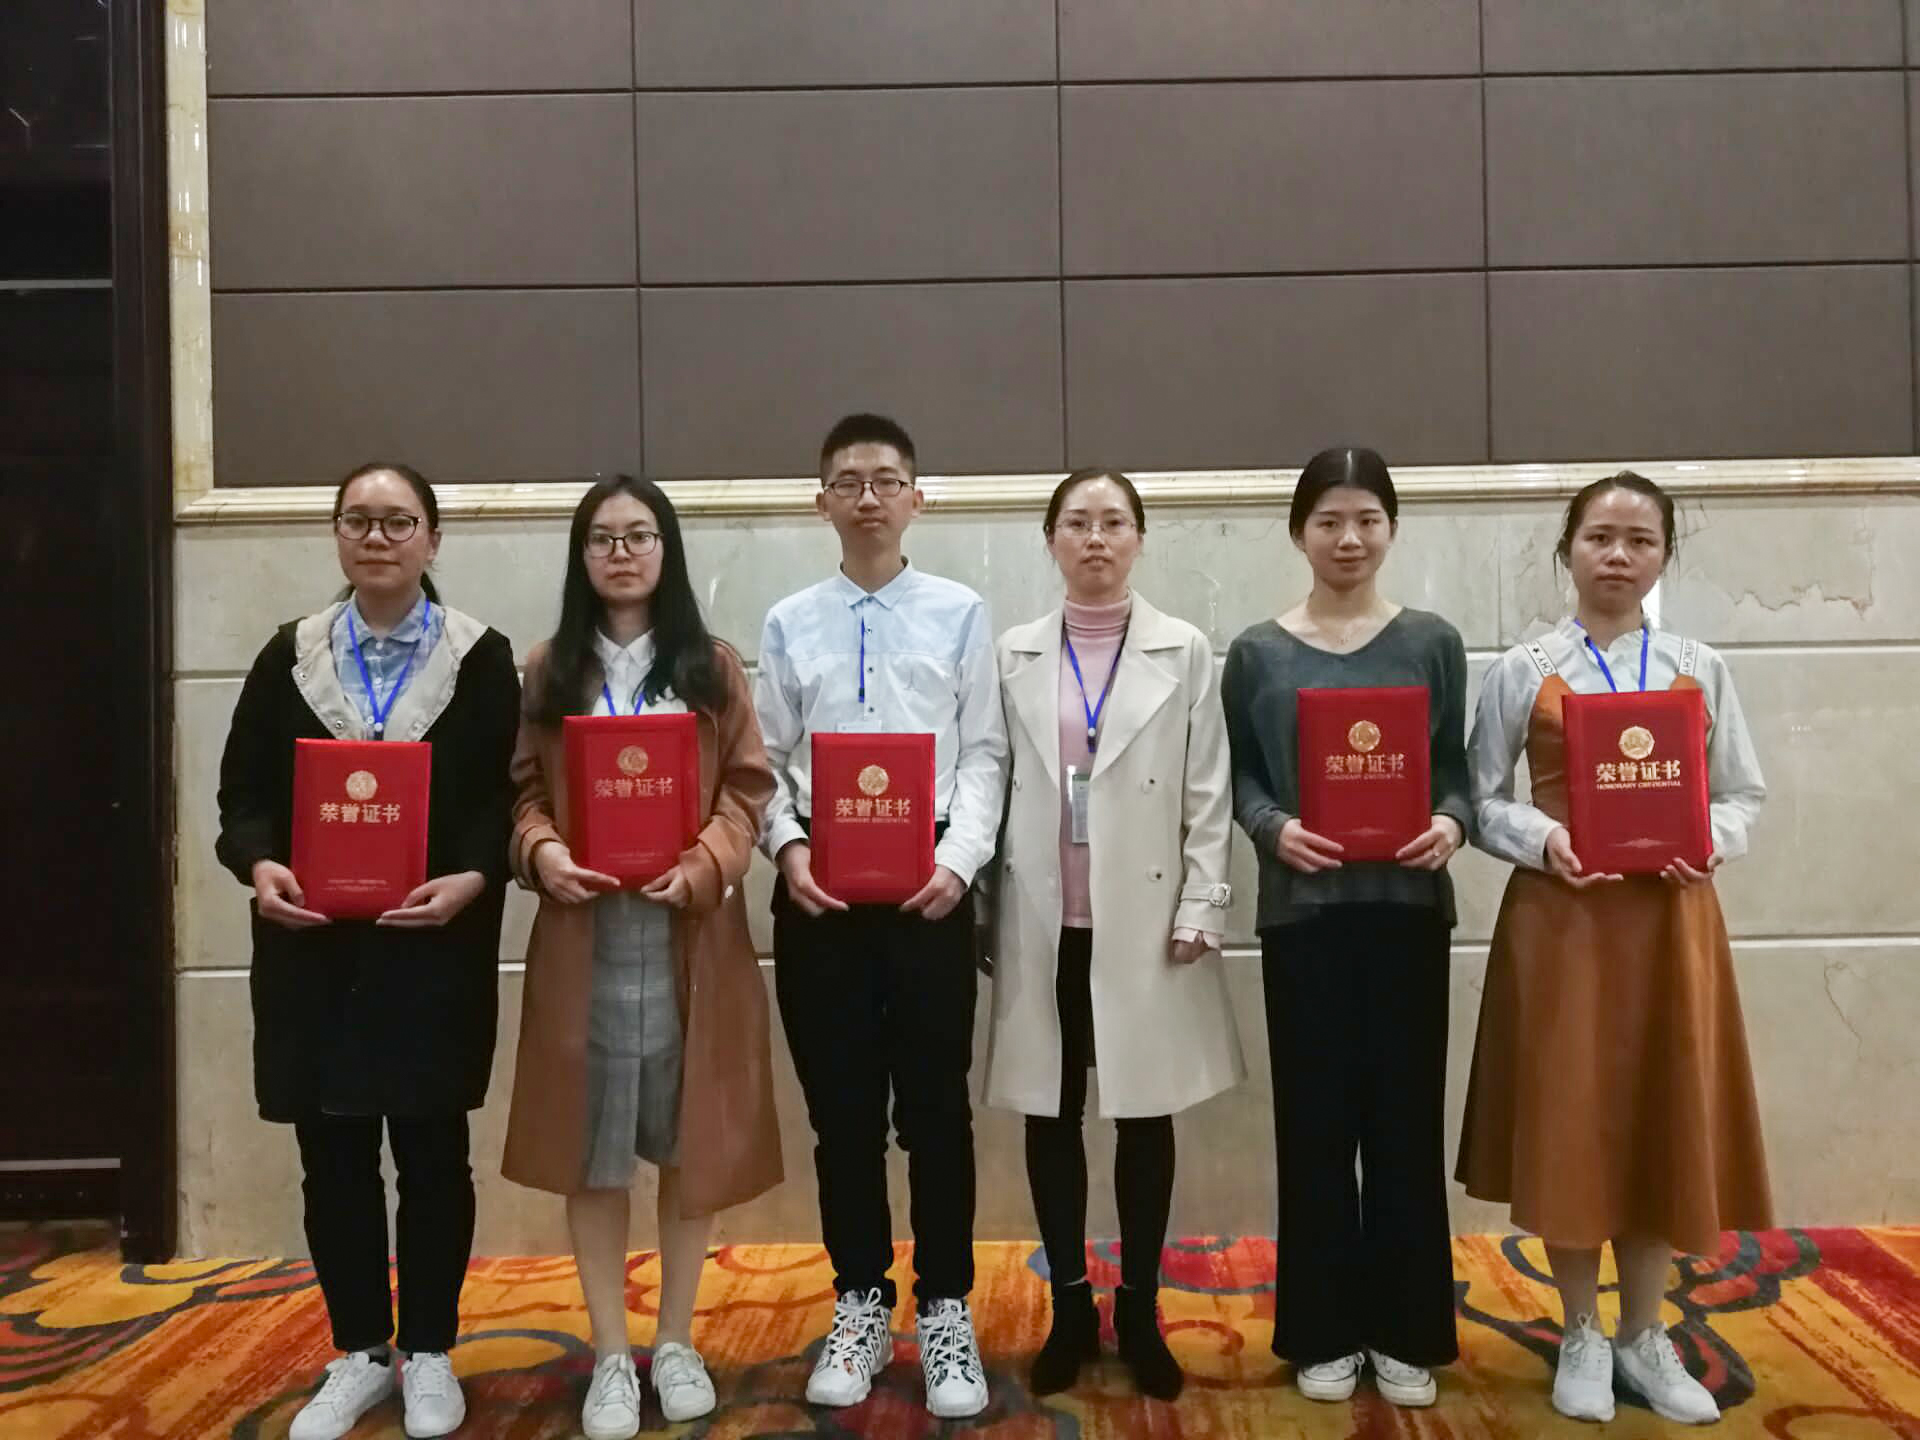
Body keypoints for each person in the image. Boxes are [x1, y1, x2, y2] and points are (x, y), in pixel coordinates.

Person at [1457, 471, 1769, 1426]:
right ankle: (1582, 1332)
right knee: (1573, 1119)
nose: (1619, 557)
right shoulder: (1524, 668)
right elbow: (1479, 800)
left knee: (1658, 1114)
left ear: (1665, 555)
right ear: (1569, 551)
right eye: (1600, 538)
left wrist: (1709, 839)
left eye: (1640, 540)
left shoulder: (1699, 665)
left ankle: (1644, 1332)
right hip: (1566, 923)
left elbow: (1742, 793)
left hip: (1672, 924)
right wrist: (1544, 837)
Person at [215, 462, 519, 1440]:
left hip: (431, 947)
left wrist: (473, 876)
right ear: (337, 535)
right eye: (359, 521)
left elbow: (503, 799)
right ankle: (359, 1351)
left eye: (398, 521)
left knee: (432, 1154)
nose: (377, 538)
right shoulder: (290, 656)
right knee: (333, 1157)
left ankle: (429, 1350)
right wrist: (260, 865)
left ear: (433, 538)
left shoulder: (479, 658)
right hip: (315, 954)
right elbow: (242, 796)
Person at [499, 476, 780, 1439]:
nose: (621, 553)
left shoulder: (712, 666)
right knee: (594, 1151)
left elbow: (748, 790)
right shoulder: (549, 669)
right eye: (602, 538)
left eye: (639, 535)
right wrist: (542, 851)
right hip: (587, 936)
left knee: (689, 1141)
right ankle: (612, 1353)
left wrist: (704, 865)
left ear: (667, 550)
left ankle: (676, 1339)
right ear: (581, 556)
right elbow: (524, 792)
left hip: (688, 933)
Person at [754, 413, 1009, 1419]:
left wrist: (958, 862)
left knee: (937, 1110)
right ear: (820, 500)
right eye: (849, 481)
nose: (868, 497)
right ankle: (859, 1299)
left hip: (930, 886)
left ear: (917, 498)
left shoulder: (961, 612)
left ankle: (945, 1306)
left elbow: (984, 752)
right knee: (843, 1113)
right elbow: (765, 762)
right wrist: (788, 849)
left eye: (887, 480)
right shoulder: (789, 621)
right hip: (819, 888)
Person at [982, 468, 1240, 1401]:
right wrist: (981, 908)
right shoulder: (1012, 652)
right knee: (1050, 1112)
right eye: (1078, 523)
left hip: (1146, 918)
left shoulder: (1184, 648)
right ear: (1051, 539)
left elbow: (1208, 786)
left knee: (1143, 1110)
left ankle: (1137, 1309)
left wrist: (1204, 902)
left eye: (1114, 522)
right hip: (1043, 915)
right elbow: (990, 780)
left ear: (1139, 538)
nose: (1096, 538)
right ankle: (1068, 1306)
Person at [1220, 446, 1468, 1409]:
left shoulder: (1433, 642)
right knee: (1315, 1126)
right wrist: (1271, 828)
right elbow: (1239, 773)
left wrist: (1451, 822)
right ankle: (1322, 1332)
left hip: (1408, 912)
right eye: (1329, 521)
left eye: (1367, 519)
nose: (1349, 538)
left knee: (1404, 1124)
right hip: (1305, 916)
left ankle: (1406, 1331)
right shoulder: (1257, 652)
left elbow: (1456, 771)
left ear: (1391, 529)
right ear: (1299, 533)